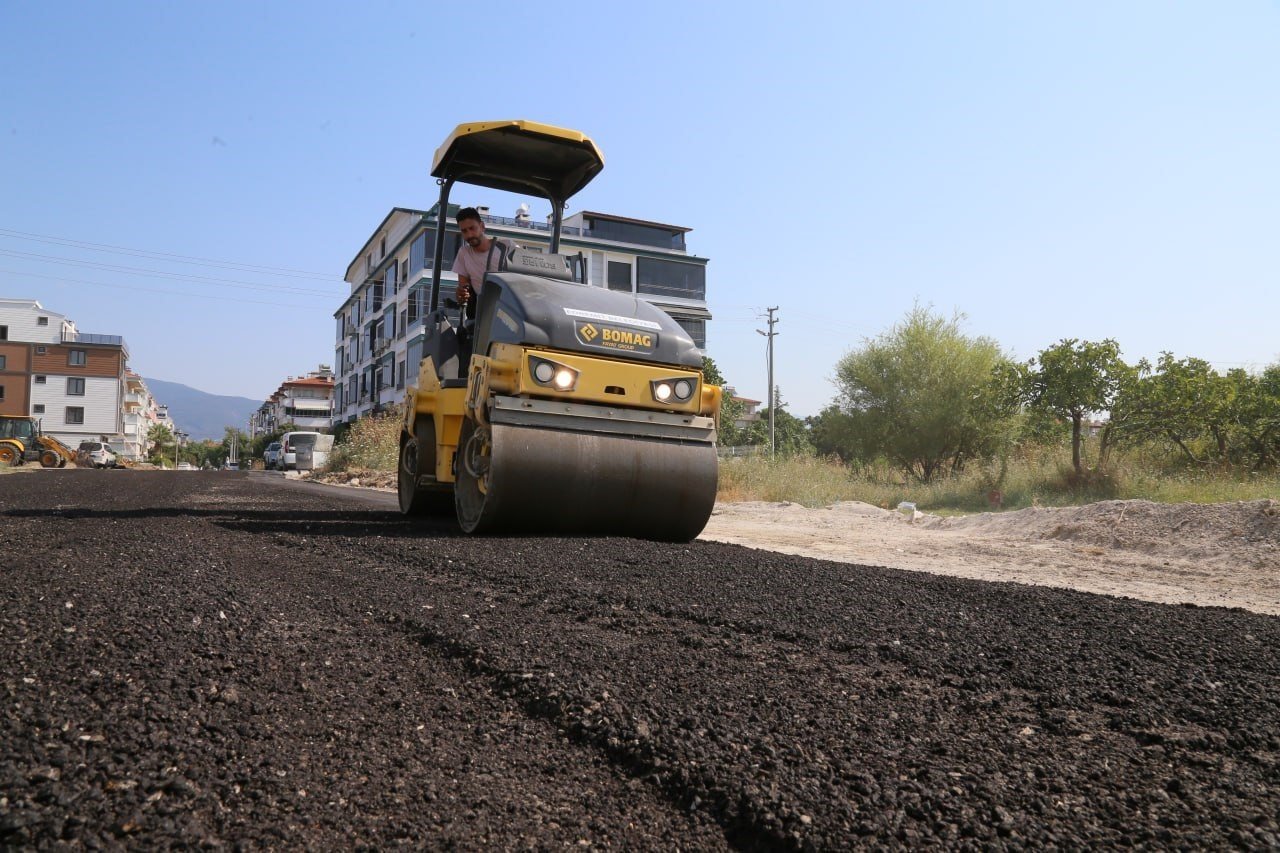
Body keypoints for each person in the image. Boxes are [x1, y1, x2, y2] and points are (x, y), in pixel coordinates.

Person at [451, 207, 511, 321]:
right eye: (464, 231)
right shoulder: (464, 253)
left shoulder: (506, 247)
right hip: (487, 313)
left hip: (512, 308)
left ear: (482, 226)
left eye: (472, 228)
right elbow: (464, 290)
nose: (469, 235)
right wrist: (461, 294)